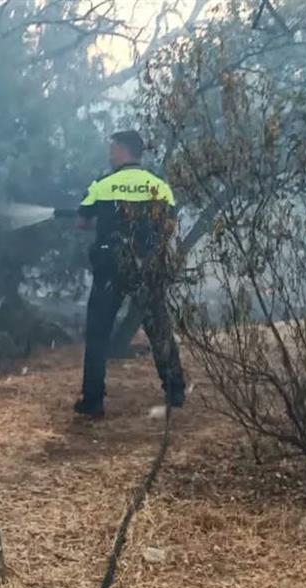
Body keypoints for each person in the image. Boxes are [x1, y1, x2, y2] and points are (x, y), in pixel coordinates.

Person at [73, 130, 185, 419]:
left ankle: (93, 401)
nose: (110, 155)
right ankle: (175, 390)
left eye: (113, 149)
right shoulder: (160, 187)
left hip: (110, 267)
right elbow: (170, 225)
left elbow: (82, 222)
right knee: (158, 327)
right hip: (146, 267)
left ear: (124, 150)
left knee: (98, 333)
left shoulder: (103, 185)